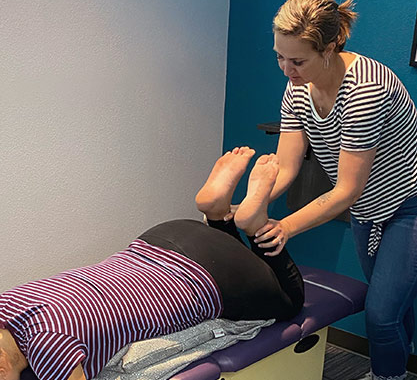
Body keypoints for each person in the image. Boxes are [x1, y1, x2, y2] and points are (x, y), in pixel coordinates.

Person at [0, 147, 304, 380]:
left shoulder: (49, 350)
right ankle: (217, 213)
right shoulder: (6, 303)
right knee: (242, 263)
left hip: (210, 276)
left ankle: (254, 225)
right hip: (163, 237)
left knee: (290, 301)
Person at [245, 0, 417, 380]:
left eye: (297, 60)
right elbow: (287, 166)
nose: (286, 69)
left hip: (412, 206)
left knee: (380, 314)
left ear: (329, 48)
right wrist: (250, 201)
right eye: (279, 56)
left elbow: (346, 190)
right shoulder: (297, 87)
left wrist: (285, 227)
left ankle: (387, 375)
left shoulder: (365, 88)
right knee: (393, 307)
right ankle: (400, 363)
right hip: (368, 210)